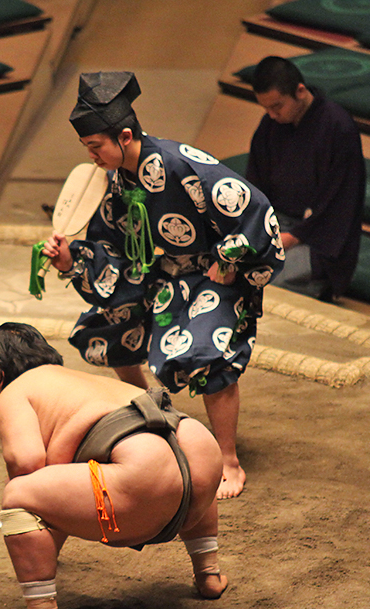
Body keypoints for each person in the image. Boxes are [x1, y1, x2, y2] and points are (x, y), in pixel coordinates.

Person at [43, 71, 284, 500]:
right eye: (88, 149)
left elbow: (253, 208)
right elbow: (111, 245)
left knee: (205, 350)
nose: (93, 157)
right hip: (159, 272)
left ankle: (227, 459)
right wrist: (72, 260)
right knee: (108, 326)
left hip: (214, 271)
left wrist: (229, 258)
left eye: (96, 147)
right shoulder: (117, 180)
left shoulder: (179, 163)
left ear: (125, 135)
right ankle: (147, 418)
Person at [0, 322, 228, 609]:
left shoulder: (14, 392)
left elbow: (27, 463)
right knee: (176, 456)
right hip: (198, 459)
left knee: (18, 494)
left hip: (141, 481)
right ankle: (209, 573)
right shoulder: (79, 379)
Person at [246, 56, 366, 303]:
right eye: (266, 108)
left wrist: (288, 239)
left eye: (277, 106)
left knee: (263, 279)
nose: (271, 115)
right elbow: (255, 184)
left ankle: (316, 287)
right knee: (224, 261)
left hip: (318, 239)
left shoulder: (338, 128)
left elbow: (340, 205)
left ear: (300, 91)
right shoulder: (270, 125)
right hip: (276, 224)